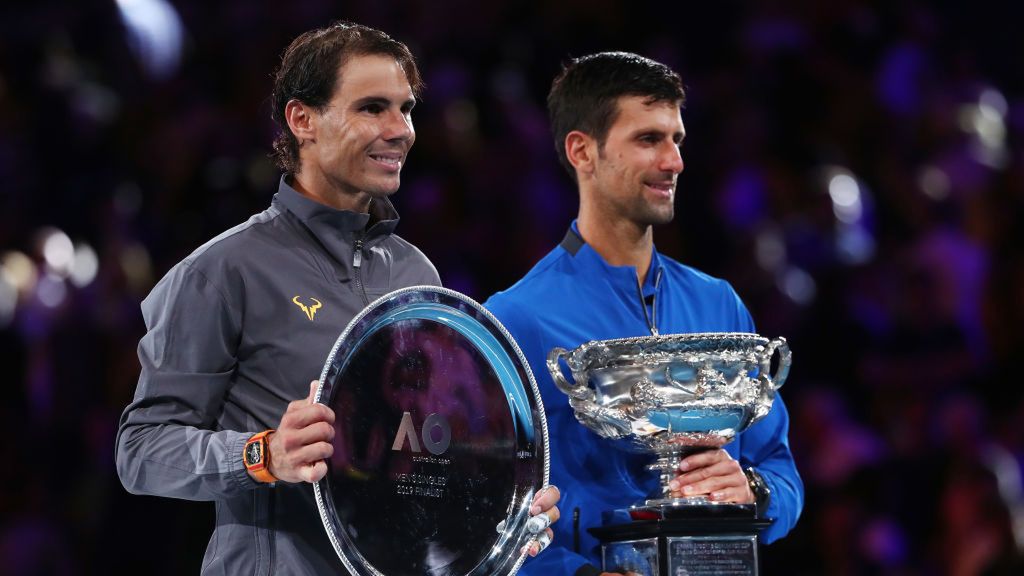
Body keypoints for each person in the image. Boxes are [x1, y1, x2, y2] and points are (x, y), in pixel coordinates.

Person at [115, 22, 559, 575]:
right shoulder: (222, 271)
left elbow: (420, 450)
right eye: (373, 108)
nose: (402, 130)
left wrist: (503, 505)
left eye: (407, 109)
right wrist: (264, 454)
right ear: (303, 120)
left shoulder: (414, 272)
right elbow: (140, 451)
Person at [485, 52, 803, 576]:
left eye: (676, 140)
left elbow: (780, 468)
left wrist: (753, 490)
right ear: (582, 151)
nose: (673, 161)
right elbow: (487, 511)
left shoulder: (719, 303)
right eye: (648, 139)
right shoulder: (517, 319)